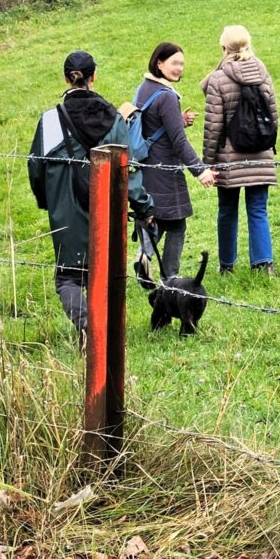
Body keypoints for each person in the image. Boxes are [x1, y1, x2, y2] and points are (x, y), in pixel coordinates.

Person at [29, 50, 155, 342]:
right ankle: (104, 334)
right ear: (93, 76)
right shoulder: (113, 118)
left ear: (66, 78)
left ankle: (88, 326)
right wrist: (143, 206)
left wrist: (48, 201)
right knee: (105, 272)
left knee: (69, 277)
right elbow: (128, 169)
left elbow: (35, 168)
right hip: (106, 206)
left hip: (65, 206)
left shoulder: (50, 120)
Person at [133, 42, 215, 279]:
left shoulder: (144, 88)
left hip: (147, 167)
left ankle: (144, 257)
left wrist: (178, 120)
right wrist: (200, 170)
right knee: (177, 224)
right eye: (174, 63)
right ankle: (169, 277)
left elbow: (152, 123)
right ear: (159, 64)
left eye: (181, 64)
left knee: (159, 216)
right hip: (166, 170)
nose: (179, 68)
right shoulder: (167, 96)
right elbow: (179, 142)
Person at [201, 25, 279, 276]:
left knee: (227, 210)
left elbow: (213, 125)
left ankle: (227, 265)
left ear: (224, 48)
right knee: (258, 209)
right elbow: (273, 115)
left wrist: (208, 162)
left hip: (228, 155)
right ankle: (264, 264)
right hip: (260, 152)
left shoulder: (217, 79)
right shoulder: (262, 71)